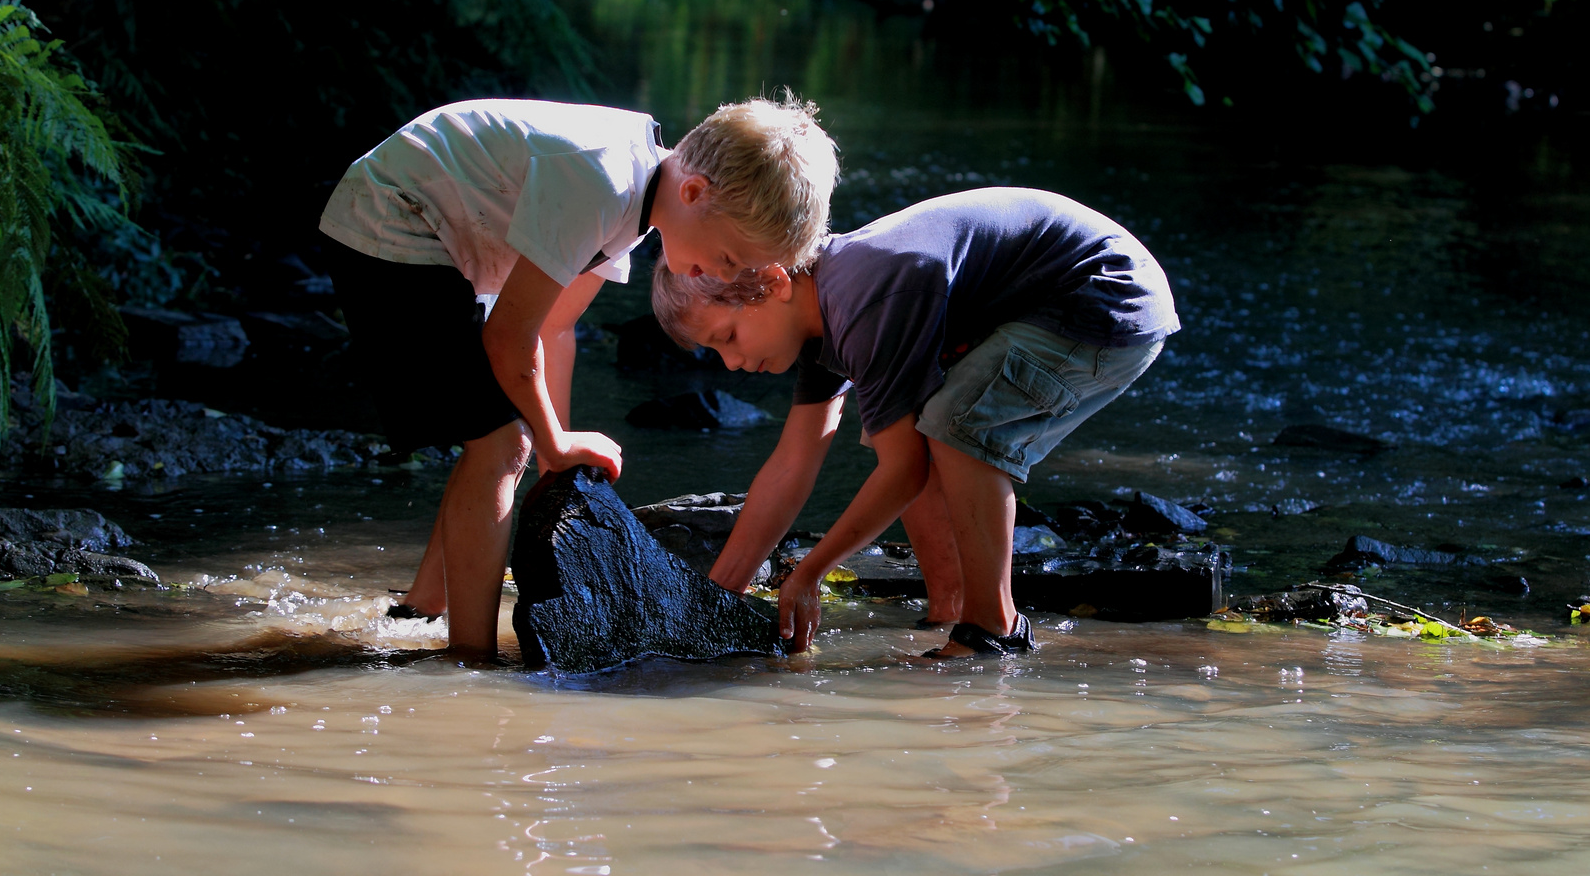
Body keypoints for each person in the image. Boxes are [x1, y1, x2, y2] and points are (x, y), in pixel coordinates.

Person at [319, 95, 838, 658]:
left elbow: (552, 330)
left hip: (429, 234)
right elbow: (509, 337)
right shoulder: (603, 185)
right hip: (393, 220)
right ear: (695, 193)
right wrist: (549, 440)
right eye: (731, 257)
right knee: (501, 443)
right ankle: (469, 659)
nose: (722, 275)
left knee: (506, 439)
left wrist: (551, 459)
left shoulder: (639, 205)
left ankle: (422, 607)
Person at [650, 187, 1179, 658]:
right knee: (907, 429)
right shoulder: (819, 318)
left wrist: (811, 571)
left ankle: (993, 628)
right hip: (1050, 301)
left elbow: (904, 474)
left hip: (1103, 295)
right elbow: (791, 465)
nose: (733, 364)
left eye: (726, 340)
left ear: (772, 283)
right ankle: (948, 606)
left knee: (955, 424)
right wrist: (714, 604)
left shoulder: (866, 297)